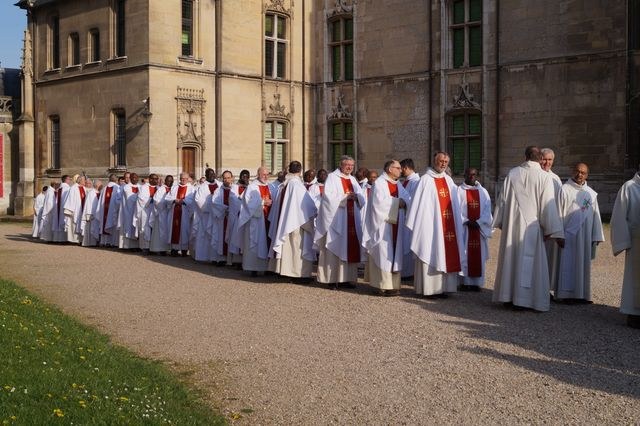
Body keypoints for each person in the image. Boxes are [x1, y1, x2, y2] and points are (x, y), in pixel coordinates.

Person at [492, 146, 564, 312]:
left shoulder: (513, 173)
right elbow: (548, 206)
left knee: (512, 260)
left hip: (513, 227)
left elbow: (501, 201)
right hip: (533, 228)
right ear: (540, 158)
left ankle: (509, 296)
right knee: (532, 264)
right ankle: (528, 299)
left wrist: (501, 222)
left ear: (525, 157)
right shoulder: (544, 177)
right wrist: (551, 230)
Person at [406, 152, 465, 298]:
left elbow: (455, 205)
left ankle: (445, 288)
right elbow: (417, 205)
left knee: (446, 253)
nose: (443, 164)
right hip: (430, 227)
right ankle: (430, 290)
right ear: (434, 161)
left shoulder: (449, 180)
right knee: (430, 250)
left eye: (446, 162)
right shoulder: (425, 180)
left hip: (447, 226)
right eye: (441, 161)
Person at [554, 163, 604, 303]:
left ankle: (582, 295)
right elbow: (558, 212)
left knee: (583, 265)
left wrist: (596, 235)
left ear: (587, 175)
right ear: (572, 171)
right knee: (568, 264)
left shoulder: (590, 194)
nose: (580, 175)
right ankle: (567, 295)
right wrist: (559, 234)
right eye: (577, 171)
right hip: (568, 235)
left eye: (583, 173)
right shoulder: (564, 189)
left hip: (585, 236)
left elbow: (596, 215)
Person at [314, 156, 365, 289]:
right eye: (347, 165)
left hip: (351, 218)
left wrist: (357, 197)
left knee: (349, 246)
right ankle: (331, 279)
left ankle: (346, 279)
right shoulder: (332, 177)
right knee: (334, 247)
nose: (349, 168)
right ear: (341, 165)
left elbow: (362, 197)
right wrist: (345, 197)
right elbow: (328, 197)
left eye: (352, 165)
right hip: (337, 219)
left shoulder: (352, 179)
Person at [362, 160, 410, 295]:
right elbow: (378, 204)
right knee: (383, 253)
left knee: (394, 252)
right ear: (390, 169)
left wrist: (405, 202)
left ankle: (393, 285)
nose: (400, 170)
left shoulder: (397, 184)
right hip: (382, 226)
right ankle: (382, 285)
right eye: (398, 168)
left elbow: (407, 198)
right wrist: (397, 202)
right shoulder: (379, 183)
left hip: (396, 224)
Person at [268, 161, 318, 281]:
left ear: (289, 170)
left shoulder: (284, 184)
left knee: (288, 247)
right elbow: (306, 205)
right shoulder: (296, 185)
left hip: (286, 222)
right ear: (300, 171)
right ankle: (298, 274)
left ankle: (286, 271)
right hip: (297, 223)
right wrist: (316, 209)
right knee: (297, 248)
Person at [610, 165, 640, 328]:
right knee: (634, 278)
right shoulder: (629, 187)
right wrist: (623, 241)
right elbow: (619, 216)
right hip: (637, 241)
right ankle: (634, 314)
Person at [457, 168, 493, 290]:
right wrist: (466, 220)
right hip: (465, 230)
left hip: (479, 229)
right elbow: (456, 209)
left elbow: (487, 210)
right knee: (464, 254)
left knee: (479, 256)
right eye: (469, 174)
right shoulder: (459, 191)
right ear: (464, 175)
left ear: (477, 176)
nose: (472, 176)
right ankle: (464, 282)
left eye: (474, 174)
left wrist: (479, 222)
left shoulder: (483, 192)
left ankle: (476, 284)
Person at [235, 166, 274, 275]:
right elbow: (247, 203)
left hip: (268, 219)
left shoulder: (271, 187)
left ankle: (268, 268)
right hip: (256, 221)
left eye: (267, 174)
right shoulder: (252, 187)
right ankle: (254, 268)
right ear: (258, 174)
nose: (265, 176)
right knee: (255, 243)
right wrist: (263, 202)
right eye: (263, 174)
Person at [540, 147, 563, 290]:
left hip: (551, 225)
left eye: (550, 160)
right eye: (544, 159)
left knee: (548, 258)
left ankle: (546, 289)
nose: (547, 162)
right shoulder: (535, 176)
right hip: (536, 224)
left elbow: (559, 204)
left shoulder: (556, 179)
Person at [211, 170, 242, 266]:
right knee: (221, 237)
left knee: (234, 237)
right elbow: (214, 203)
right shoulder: (218, 191)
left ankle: (234, 260)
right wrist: (226, 209)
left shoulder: (237, 189)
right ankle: (222, 259)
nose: (226, 180)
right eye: (224, 178)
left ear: (232, 178)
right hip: (222, 217)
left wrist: (233, 210)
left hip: (234, 218)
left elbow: (241, 202)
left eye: (228, 178)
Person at [193, 168, 220, 262]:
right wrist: (210, 208)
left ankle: (215, 257)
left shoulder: (219, 185)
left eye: (213, 174)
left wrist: (217, 209)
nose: (212, 176)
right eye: (210, 174)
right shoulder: (202, 187)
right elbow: (198, 200)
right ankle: (203, 256)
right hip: (206, 215)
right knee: (204, 236)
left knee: (216, 235)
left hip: (217, 215)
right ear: (206, 175)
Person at [165, 172, 195, 256]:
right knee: (174, 229)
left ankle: (184, 250)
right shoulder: (174, 187)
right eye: (182, 178)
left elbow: (193, 200)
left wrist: (183, 201)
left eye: (185, 178)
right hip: (174, 211)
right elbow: (167, 198)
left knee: (185, 230)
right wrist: (174, 200)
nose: (183, 180)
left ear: (188, 179)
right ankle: (174, 249)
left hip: (185, 212)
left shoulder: (191, 188)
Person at [400, 158, 420, 279]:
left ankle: (409, 273)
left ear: (406, 168)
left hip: (410, 217)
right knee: (404, 243)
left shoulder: (416, 182)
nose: (400, 171)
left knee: (408, 243)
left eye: (401, 169)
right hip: (404, 216)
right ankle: (405, 271)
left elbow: (414, 201)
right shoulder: (406, 181)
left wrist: (403, 202)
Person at [149, 175, 173, 254]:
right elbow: (156, 200)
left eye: (171, 181)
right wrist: (166, 203)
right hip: (161, 212)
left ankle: (166, 248)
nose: (170, 182)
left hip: (169, 213)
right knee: (159, 232)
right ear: (165, 181)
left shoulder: (173, 189)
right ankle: (158, 249)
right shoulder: (161, 189)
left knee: (168, 230)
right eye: (169, 181)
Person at [136, 173, 160, 253]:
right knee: (145, 228)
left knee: (154, 228)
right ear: (150, 179)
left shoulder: (159, 188)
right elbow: (141, 199)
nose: (156, 180)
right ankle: (145, 247)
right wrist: (151, 198)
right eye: (154, 179)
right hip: (145, 210)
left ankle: (154, 247)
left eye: (156, 179)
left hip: (155, 210)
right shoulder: (143, 188)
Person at [95, 174, 121, 247]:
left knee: (105, 223)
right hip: (113, 211)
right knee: (113, 224)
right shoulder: (117, 188)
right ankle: (113, 243)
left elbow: (100, 202)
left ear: (109, 179)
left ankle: (105, 242)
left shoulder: (104, 188)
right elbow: (118, 202)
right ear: (116, 180)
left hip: (104, 212)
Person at [63, 174, 87, 245]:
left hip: (82, 210)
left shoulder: (84, 188)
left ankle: (80, 240)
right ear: (80, 181)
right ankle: (74, 240)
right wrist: (70, 210)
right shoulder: (73, 188)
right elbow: (70, 199)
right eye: (84, 180)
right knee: (74, 225)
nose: (85, 181)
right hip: (75, 210)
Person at [118, 172, 140, 250]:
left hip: (137, 210)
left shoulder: (140, 186)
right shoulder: (126, 187)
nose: (135, 179)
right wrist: (140, 196)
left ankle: (136, 246)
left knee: (136, 227)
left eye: (136, 178)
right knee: (128, 226)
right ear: (131, 179)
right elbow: (130, 198)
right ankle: (128, 246)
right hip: (128, 210)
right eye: (133, 178)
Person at [81, 179, 101, 247]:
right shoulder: (91, 193)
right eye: (100, 184)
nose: (101, 185)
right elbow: (88, 204)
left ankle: (95, 242)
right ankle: (90, 242)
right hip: (92, 214)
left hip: (97, 214)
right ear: (97, 185)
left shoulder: (98, 192)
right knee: (91, 228)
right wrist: (89, 214)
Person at [52, 175, 73, 242]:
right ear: (66, 180)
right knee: (63, 222)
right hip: (64, 208)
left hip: (59, 208)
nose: (70, 181)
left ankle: (58, 239)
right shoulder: (67, 188)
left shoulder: (59, 188)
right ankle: (63, 239)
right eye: (69, 179)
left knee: (58, 222)